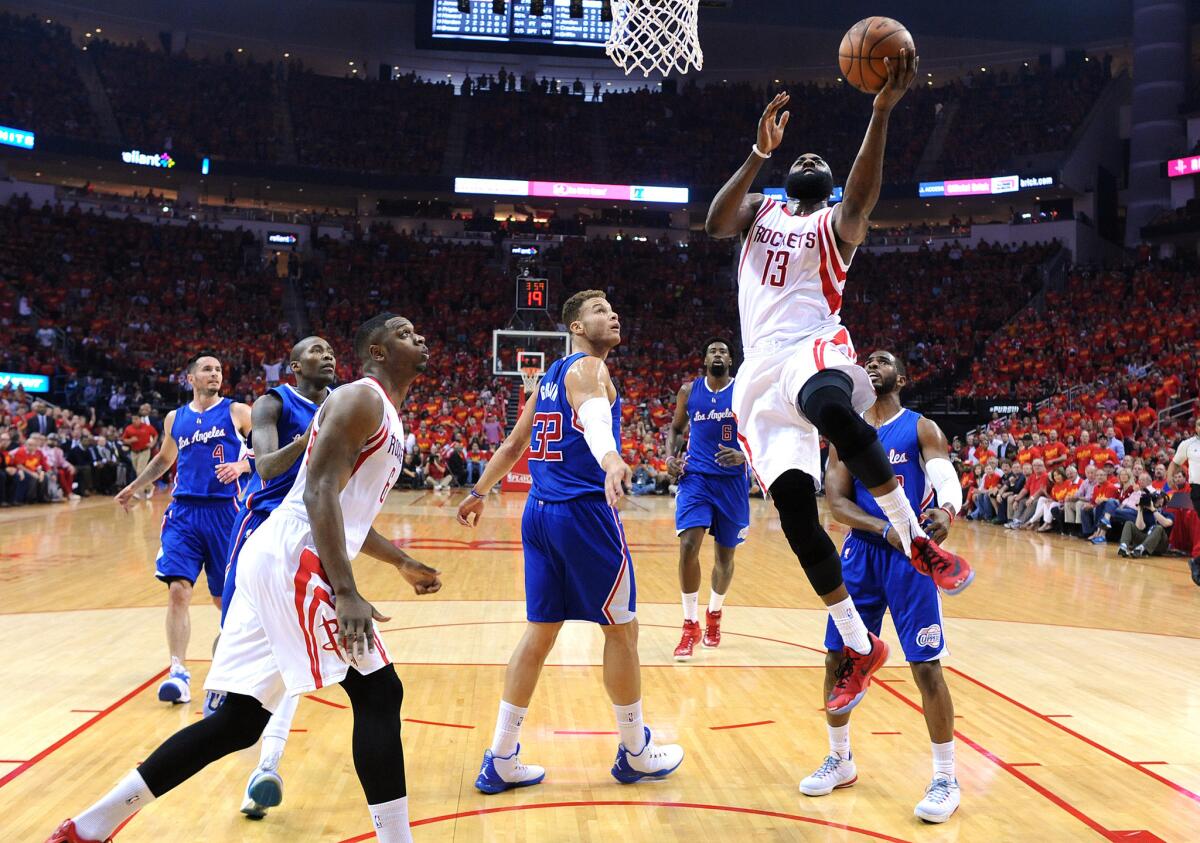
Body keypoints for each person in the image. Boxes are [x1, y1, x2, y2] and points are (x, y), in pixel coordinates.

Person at [48, 314, 443, 843]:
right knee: (379, 692)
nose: (417, 337)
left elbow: (345, 512)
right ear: (376, 351)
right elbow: (315, 494)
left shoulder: (383, 412)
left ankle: (88, 827)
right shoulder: (360, 399)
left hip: (281, 554)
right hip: (294, 556)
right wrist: (346, 591)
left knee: (238, 722)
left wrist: (399, 561)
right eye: (402, 332)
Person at [704, 50, 972, 715]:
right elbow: (714, 222)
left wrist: (879, 112)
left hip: (810, 346)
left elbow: (862, 192)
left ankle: (915, 539)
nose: (809, 161)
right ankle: (859, 643)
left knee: (833, 408)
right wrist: (757, 153)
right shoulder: (761, 210)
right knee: (798, 512)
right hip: (757, 376)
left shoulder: (836, 225)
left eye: (818, 165)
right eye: (802, 160)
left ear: (827, 187)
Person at [457, 290, 684, 795]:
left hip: (538, 514)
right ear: (577, 327)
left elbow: (516, 443)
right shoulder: (587, 369)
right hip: (582, 515)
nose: (614, 313)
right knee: (622, 630)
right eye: (601, 310)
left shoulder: (551, 377)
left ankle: (501, 756)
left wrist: (479, 491)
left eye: (613, 306)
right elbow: (595, 419)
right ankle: (635, 751)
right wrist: (610, 460)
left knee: (539, 633)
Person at [800, 350, 963, 823]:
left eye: (883, 360)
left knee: (926, 666)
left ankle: (946, 777)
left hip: (911, 559)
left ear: (902, 378)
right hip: (863, 555)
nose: (872, 364)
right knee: (838, 657)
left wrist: (946, 512)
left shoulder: (920, 427)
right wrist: (885, 529)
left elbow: (944, 478)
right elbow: (837, 505)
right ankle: (840, 758)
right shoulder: (845, 431)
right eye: (866, 360)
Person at [206, 337, 337, 819]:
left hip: (311, 533)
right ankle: (223, 692)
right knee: (239, 632)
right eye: (316, 349)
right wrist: (311, 438)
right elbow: (264, 466)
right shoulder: (273, 402)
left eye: (331, 349)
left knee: (291, 653)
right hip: (263, 527)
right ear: (296, 364)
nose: (328, 355)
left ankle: (267, 765)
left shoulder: (341, 402)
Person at [114, 353, 254, 706]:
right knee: (178, 590)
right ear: (190, 378)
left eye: (219, 369)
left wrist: (240, 465)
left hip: (226, 513)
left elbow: (267, 449)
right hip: (184, 513)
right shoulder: (175, 418)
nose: (215, 374)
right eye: (207, 369)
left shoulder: (238, 411)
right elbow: (164, 459)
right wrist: (137, 486)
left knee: (226, 601)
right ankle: (177, 672)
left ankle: (225, 673)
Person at [665, 338, 750, 660]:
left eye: (723, 351)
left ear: (731, 360)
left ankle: (714, 614)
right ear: (704, 359)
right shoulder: (689, 391)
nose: (718, 354)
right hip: (696, 478)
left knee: (724, 559)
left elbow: (759, 433)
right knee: (688, 545)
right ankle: (690, 625)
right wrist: (670, 458)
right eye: (712, 350)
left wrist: (744, 456)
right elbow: (675, 430)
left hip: (732, 484)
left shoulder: (742, 391)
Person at [121, 406, 159, 499]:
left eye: (136, 419)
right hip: (134, 452)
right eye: (133, 419)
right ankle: (150, 486)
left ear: (140, 419)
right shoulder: (128, 428)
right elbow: (123, 440)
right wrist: (130, 440)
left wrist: (152, 443)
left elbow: (155, 435)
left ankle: (139, 492)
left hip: (144, 451)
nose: (134, 421)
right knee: (139, 471)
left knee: (139, 471)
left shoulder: (147, 427)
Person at [1168, 416, 1200, 514]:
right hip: (1197, 488)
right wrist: (1169, 477)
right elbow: (1175, 462)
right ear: (1196, 428)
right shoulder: (1187, 444)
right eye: (1199, 425)